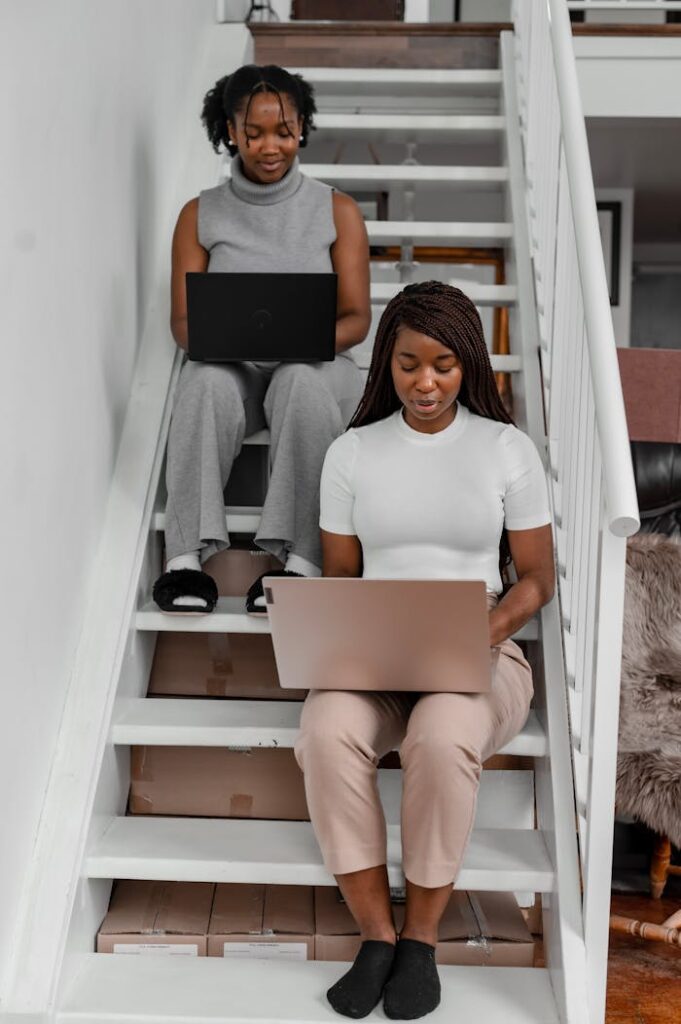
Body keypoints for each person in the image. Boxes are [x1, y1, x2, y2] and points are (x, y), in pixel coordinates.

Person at [294, 281, 555, 1020]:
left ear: (467, 363)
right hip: (379, 650)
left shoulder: (505, 449)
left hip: (482, 646)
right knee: (324, 730)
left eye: (442, 364)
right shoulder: (351, 453)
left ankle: (420, 939)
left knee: (440, 738)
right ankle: (376, 937)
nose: (426, 381)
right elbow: (344, 578)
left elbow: (537, 579)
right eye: (409, 363)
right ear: (388, 363)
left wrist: (485, 632)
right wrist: (323, 634)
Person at [152, 64, 369, 615]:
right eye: (254, 132)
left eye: (284, 131)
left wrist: (299, 343)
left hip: (319, 366)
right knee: (202, 383)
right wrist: (233, 342)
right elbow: (184, 324)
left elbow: (357, 318)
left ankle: (300, 563)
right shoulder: (199, 214)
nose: (270, 146)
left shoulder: (336, 210)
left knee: (298, 380)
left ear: (302, 128)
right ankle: (183, 562)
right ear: (229, 130)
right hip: (235, 367)